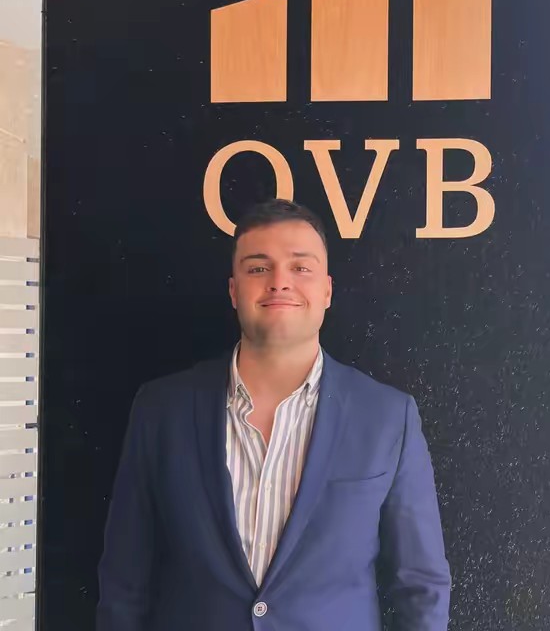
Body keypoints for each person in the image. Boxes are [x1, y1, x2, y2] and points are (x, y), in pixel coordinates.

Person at [97, 199, 451, 631]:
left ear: (327, 291)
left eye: (300, 267)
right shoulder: (160, 410)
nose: (279, 282)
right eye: (258, 268)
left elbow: (421, 586)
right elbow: (124, 581)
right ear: (234, 291)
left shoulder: (389, 417)